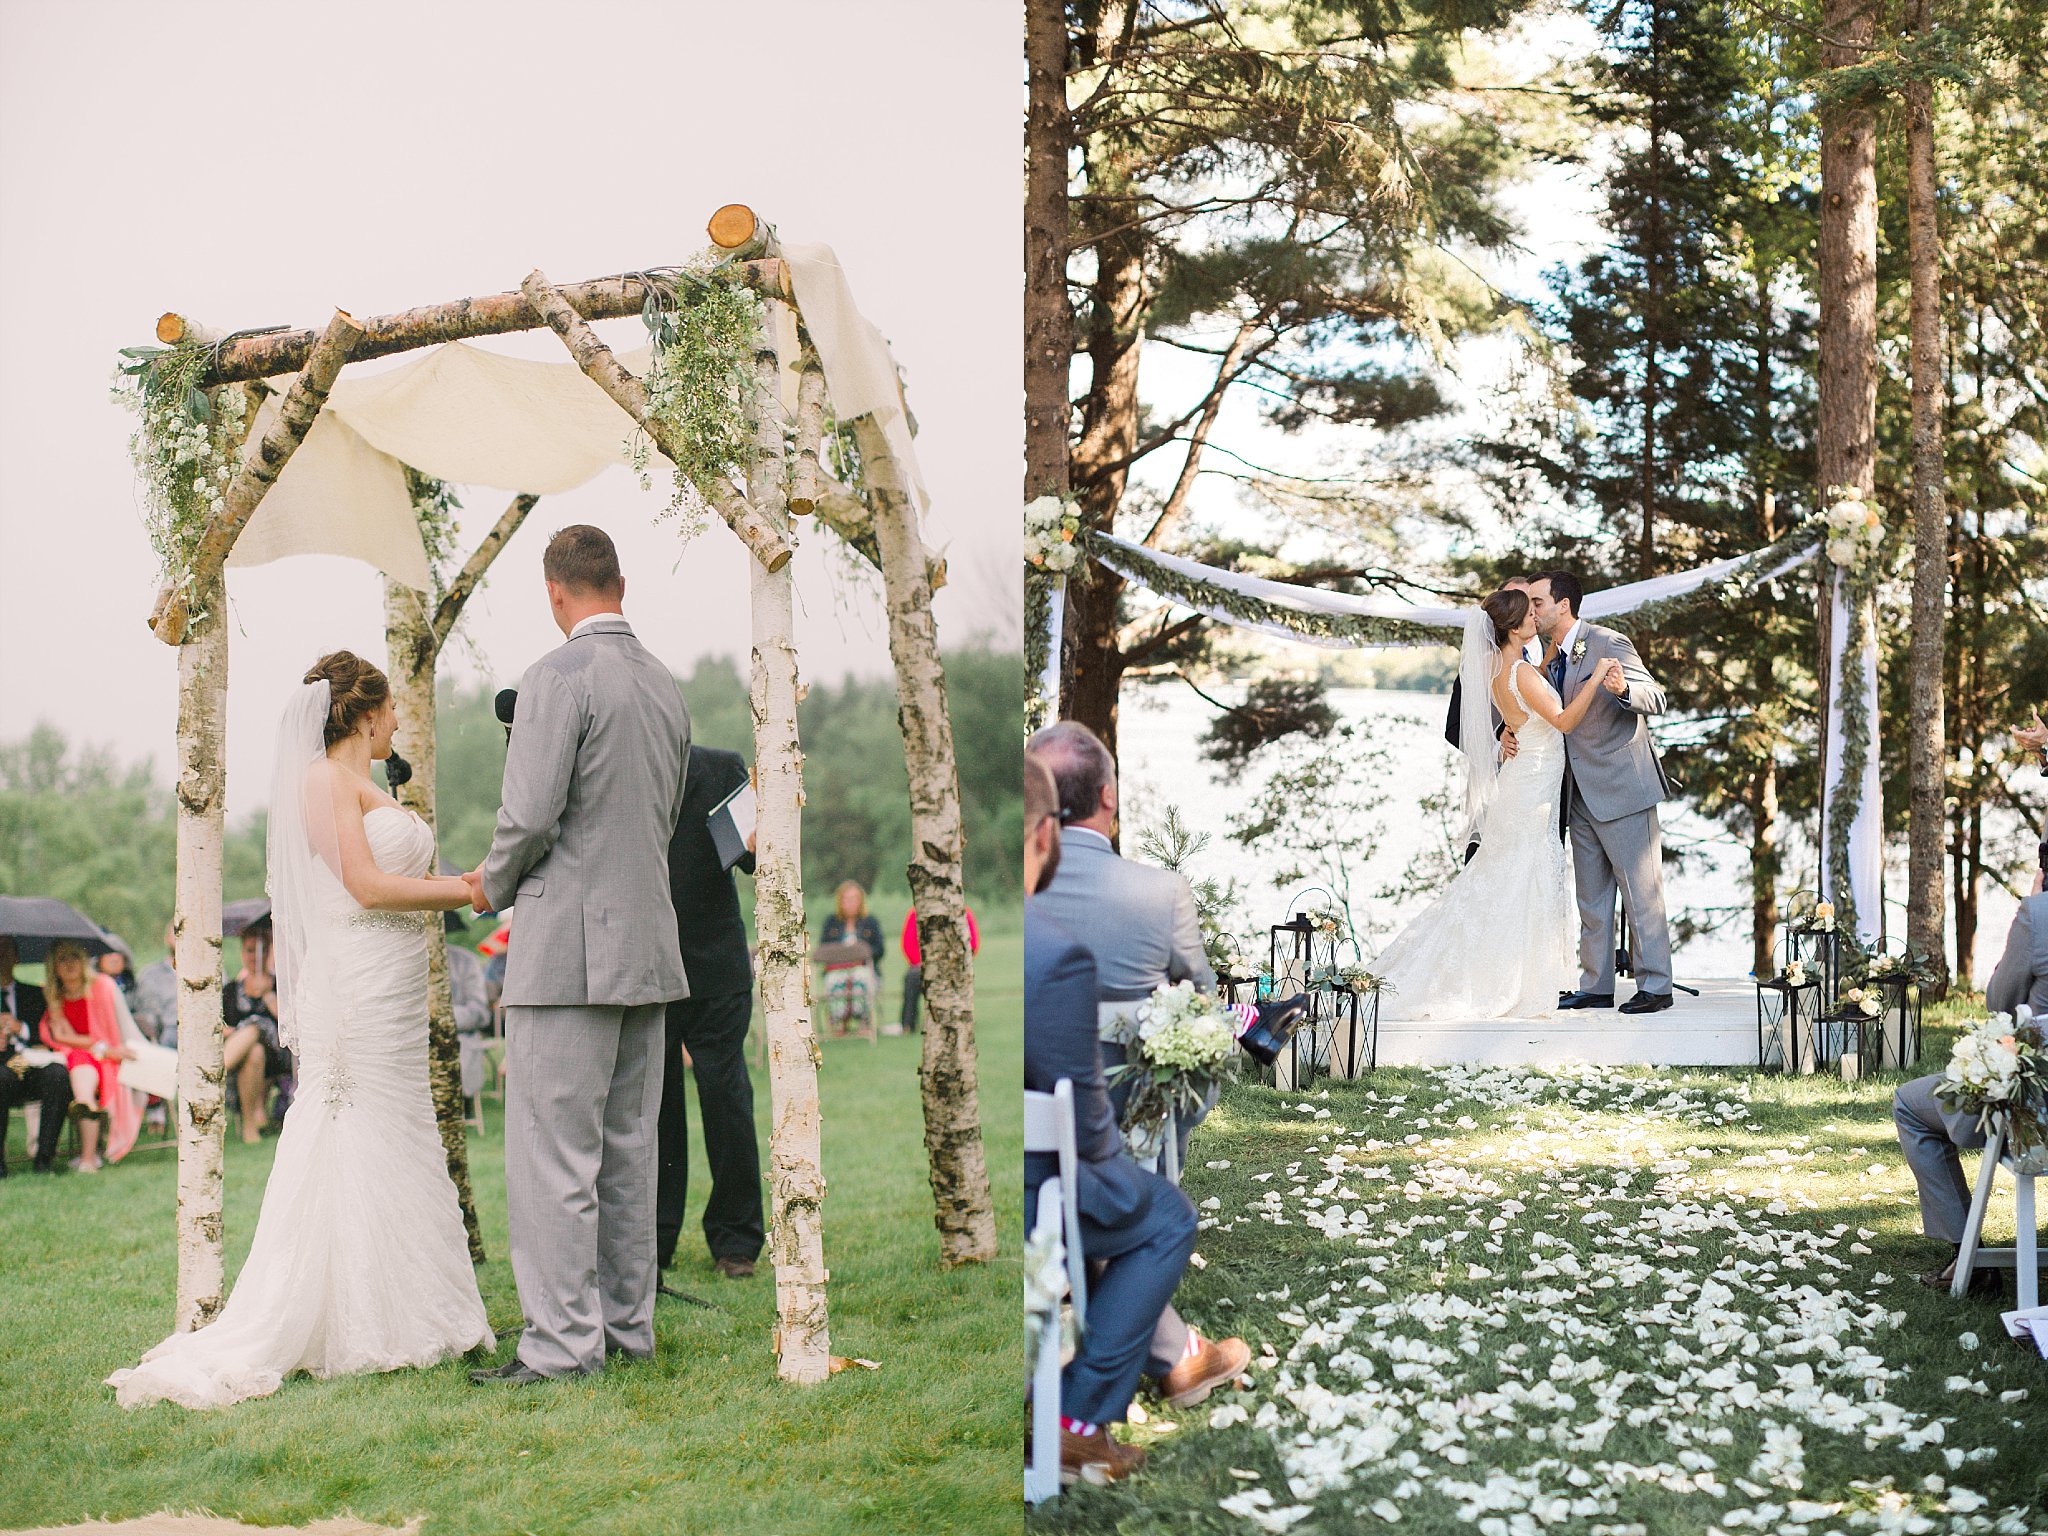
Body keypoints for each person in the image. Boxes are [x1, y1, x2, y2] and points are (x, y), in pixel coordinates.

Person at [107, 650, 489, 1410]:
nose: (397, 726)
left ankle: (411, 1307)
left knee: (401, 1129)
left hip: (390, 983)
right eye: (391, 713)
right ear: (368, 710)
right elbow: (365, 884)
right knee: (349, 1127)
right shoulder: (321, 781)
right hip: (354, 984)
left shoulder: (367, 784)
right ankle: (340, 1316)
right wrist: (468, 890)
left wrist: (462, 882)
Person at [463, 525, 692, 1387]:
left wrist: (489, 885)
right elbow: (661, 817)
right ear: (620, 584)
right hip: (649, 945)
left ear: (555, 591)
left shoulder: (554, 679)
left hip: (566, 952)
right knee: (630, 1150)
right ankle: (628, 1332)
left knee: (554, 1155)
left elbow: (527, 818)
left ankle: (561, 1347)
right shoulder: (666, 684)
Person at [1023, 753, 1247, 1486]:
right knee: (1158, 1213)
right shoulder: (1065, 952)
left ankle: (1169, 1350)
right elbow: (1204, 1007)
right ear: (1043, 834)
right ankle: (1077, 1418)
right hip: (1050, 1177)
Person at [1375, 588, 1621, 1021]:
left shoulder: (1499, 671)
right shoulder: (1522, 674)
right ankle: (1510, 981)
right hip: (1533, 784)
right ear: (1511, 627)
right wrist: (1598, 674)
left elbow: (1527, 699)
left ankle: (1510, 975)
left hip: (1523, 779)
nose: (1536, 618)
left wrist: (1542, 670)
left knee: (1508, 877)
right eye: (1529, 614)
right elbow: (1562, 720)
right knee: (1521, 876)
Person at [1528, 570, 1678, 1015]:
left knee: (1641, 892)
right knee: (1590, 897)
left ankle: (1656, 985)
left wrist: (1624, 689)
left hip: (1622, 787)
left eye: (1537, 602)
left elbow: (1658, 697)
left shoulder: (1608, 642)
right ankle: (1595, 985)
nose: (1531, 610)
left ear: (1563, 605)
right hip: (1577, 791)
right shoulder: (1545, 652)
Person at [1893, 868, 2048, 1296]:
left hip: (2036, 1119)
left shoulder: (2038, 914)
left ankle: (1971, 1258)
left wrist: (2034, 903)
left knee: (1910, 1103)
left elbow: (2000, 1001)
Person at [658, 744, 765, 1282]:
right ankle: (653, 1240)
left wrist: (765, 823)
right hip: (648, 969)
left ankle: (736, 1240)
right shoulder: (622, 768)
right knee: (654, 1110)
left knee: (725, 1100)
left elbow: (753, 858)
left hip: (715, 967)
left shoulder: (718, 768)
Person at [40, 938, 144, 1170]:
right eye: (62, 959)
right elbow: (63, 1037)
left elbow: (106, 1034)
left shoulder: (102, 986)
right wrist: (95, 1047)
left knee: (82, 1067)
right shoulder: (54, 995)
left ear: (84, 960)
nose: (69, 964)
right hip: (79, 1058)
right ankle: (88, 1152)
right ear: (54, 967)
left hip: (111, 1057)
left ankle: (88, 1152)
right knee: (80, 1066)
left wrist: (101, 1048)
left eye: (74, 957)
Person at [0, 936, 70, 1175]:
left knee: (58, 1075)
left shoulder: (34, 994)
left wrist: (22, 1028)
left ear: (16, 958)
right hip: (2, 1072)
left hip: (31, 1064)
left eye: (6, 951)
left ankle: (44, 1160)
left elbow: (45, 1036)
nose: (1, 958)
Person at [222, 926, 286, 1143]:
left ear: (268, 953)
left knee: (254, 1026)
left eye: (260, 950)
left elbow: (288, 1022)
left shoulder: (281, 986)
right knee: (255, 1052)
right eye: (249, 951)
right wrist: (230, 1031)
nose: (254, 956)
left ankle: (219, 1068)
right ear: (242, 953)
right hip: (249, 1055)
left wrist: (267, 996)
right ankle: (250, 1128)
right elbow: (222, 1024)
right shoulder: (232, 990)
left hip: (276, 1054)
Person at [897, 902, 980, 1035]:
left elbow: (972, 944)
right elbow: (908, 944)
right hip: (922, 966)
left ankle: (953, 1020)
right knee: (912, 977)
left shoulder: (962, 913)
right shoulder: (916, 914)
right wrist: (923, 963)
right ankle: (907, 1024)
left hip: (952, 965)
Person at [819, 881, 885, 1036]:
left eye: (854, 898)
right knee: (834, 980)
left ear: (861, 900)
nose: (850, 903)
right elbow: (823, 949)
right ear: (840, 901)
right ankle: (839, 1022)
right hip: (837, 969)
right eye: (846, 899)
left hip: (863, 968)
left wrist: (861, 953)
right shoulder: (831, 923)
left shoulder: (870, 922)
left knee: (862, 977)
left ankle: (864, 1021)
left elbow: (880, 949)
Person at [131, 924, 179, 1048]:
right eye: (177, 932)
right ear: (167, 939)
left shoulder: (213, 973)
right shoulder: (151, 974)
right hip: (167, 1035)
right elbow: (148, 1017)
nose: (181, 937)